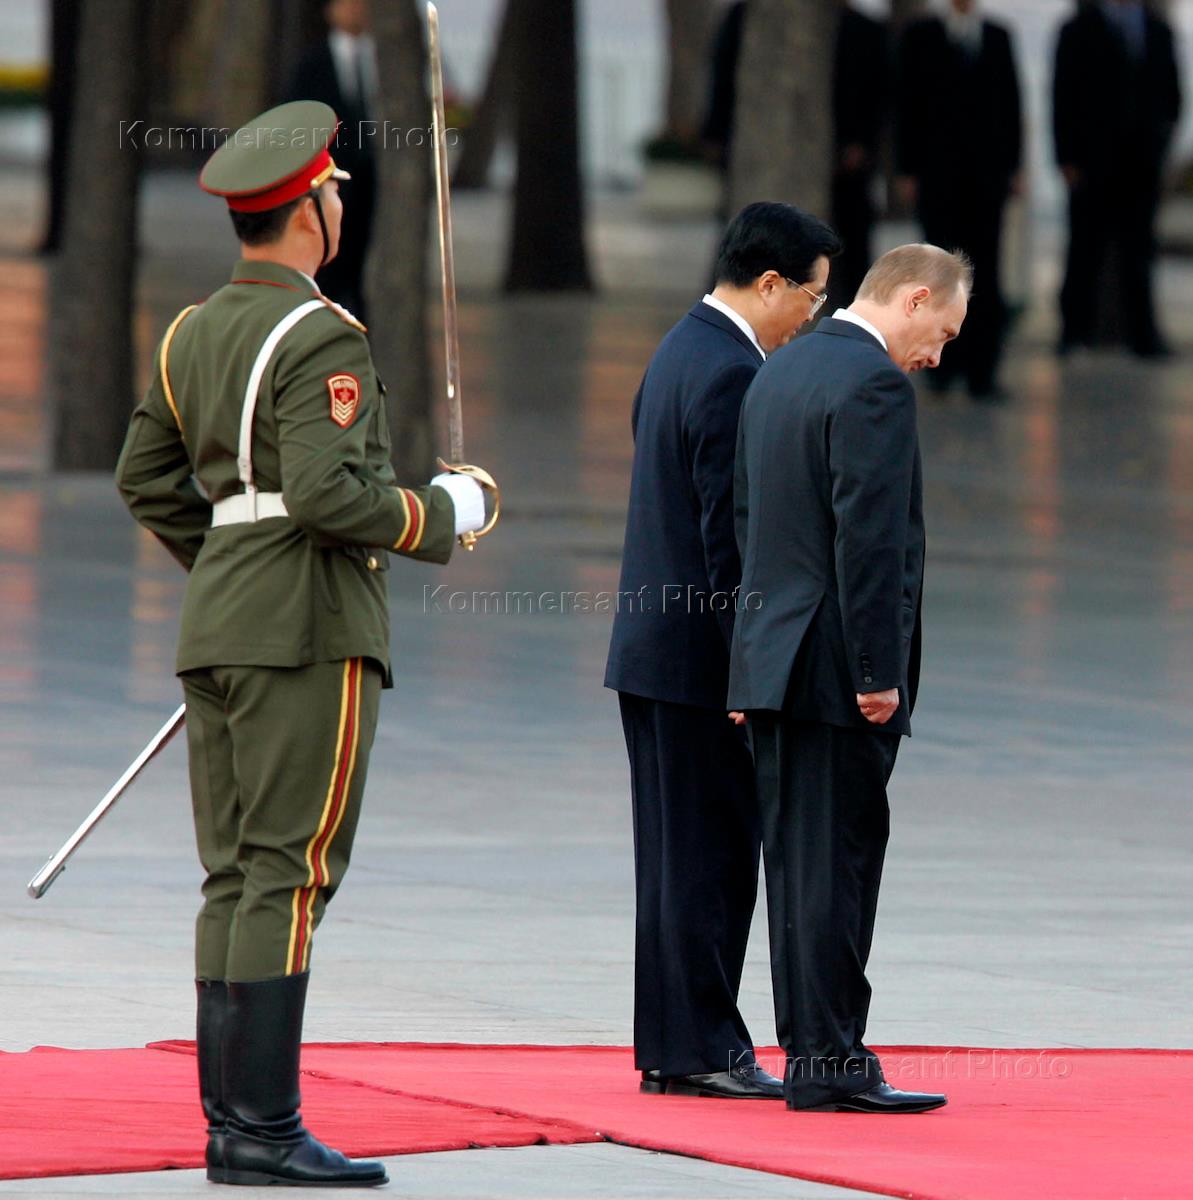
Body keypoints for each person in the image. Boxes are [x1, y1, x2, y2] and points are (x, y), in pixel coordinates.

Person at [115, 100, 492, 1187]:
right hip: (305, 632)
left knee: (235, 875)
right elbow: (330, 495)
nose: (340, 206)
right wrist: (442, 513)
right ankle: (264, 1129)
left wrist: (232, 564)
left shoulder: (193, 331)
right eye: (333, 193)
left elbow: (146, 477)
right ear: (306, 214)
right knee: (288, 873)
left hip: (223, 627)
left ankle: (232, 1124)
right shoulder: (320, 332)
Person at [605, 202, 841, 1100]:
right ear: (770, 283)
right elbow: (727, 542)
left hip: (653, 653)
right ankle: (702, 1047)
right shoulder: (732, 372)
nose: (810, 319)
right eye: (811, 299)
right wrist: (754, 671)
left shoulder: (680, 347)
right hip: (699, 663)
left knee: (674, 862)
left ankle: (678, 1044)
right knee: (709, 860)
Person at [729, 244, 970, 1113]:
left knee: (798, 868)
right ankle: (831, 1061)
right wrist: (876, 671)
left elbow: (749, 526)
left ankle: (811, 1054)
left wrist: (745, 664)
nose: (935, 356)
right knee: (839, 865)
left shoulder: (780, 369)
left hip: (774, 662)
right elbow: (869, 540)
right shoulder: (872, 385)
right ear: (914, 299)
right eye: (942, 333)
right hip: (835, 669)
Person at [703, 0, 888, 289]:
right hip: (763, 149)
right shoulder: (745, 17)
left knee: (850, 238)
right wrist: (716, 133)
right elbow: (724, 76)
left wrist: (862, 143)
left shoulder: (864, 29)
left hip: (843, 156)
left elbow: (878, 97)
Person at [897, 0, 1022, 398]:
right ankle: (940, 367)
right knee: (938, 273)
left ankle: (982, 371)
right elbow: (906, 104)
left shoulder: (997, 37)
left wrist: (1014, 166)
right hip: (938, 177)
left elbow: (1011, 104)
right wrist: (906, 168)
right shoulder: (921, 36)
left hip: (987, 178)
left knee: (985, 272)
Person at [1053, 0, 1181, 357]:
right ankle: (1072, 332)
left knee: (1139, 251)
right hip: (1090, 164)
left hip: (1141, 165)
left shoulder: (1159, 30)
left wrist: (1160, 149)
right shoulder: (1077, 29)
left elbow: (1172, 96)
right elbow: (1062, 93)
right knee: (1083, 249)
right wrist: (1066, 157)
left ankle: (1144, 336)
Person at [285, 0, 378, 321]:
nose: (356, 9)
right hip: (324, 183)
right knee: (326, 267)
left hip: (369, 189)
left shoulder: (383, 64)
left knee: (359, 268)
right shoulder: (312, 64)